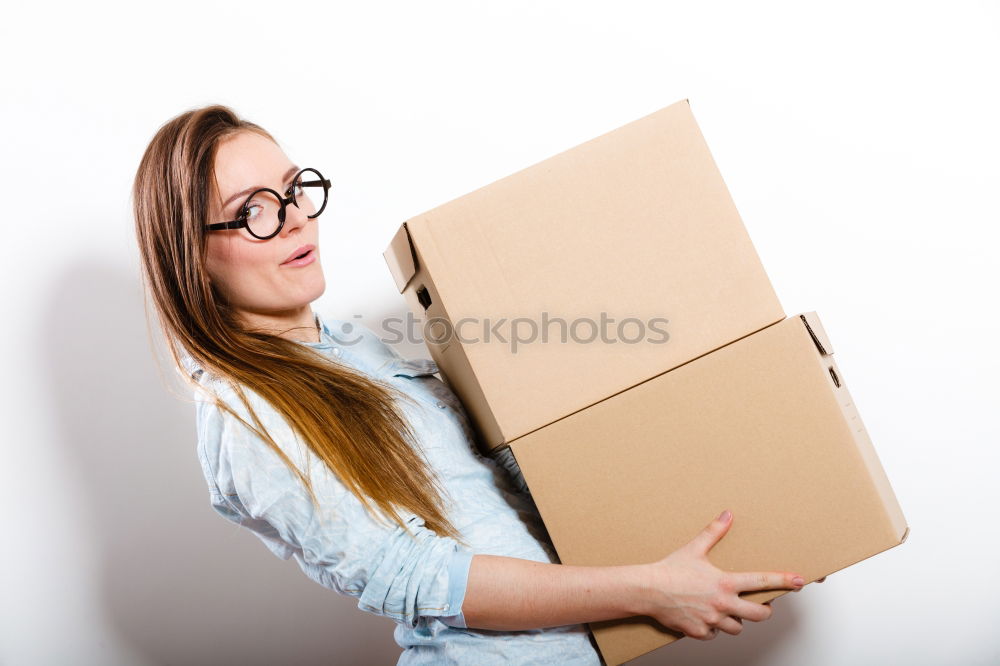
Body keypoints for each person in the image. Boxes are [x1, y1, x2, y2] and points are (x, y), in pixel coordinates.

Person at [131, 104, 814, 665]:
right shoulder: (243, 413)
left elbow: (492, 477)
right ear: (191, 254)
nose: (296, 217)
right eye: (255, 209)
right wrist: (649, 590)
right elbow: (423, 578)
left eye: (292, 190)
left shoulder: (352, 350)